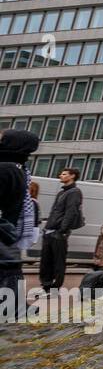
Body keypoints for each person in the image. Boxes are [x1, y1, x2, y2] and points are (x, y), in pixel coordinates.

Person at [0, 130, 41, 318]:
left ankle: (13, 306)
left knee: (9, 265)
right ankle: (12, 307)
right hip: (6, 228)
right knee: (9, 266)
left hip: (6, 228)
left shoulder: (10, 168)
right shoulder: (13, 168)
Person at [39, 167, 84, 293]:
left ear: (72, 176)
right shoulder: (61, 192)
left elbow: (71, 212)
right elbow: (55, 211)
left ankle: (54, 289)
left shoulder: (74, 192)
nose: (61, 175)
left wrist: (62, 230)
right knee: (45, 261)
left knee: (58, 262)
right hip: (50, 230)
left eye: (64, 174)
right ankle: (46, 286)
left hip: (58, 232)